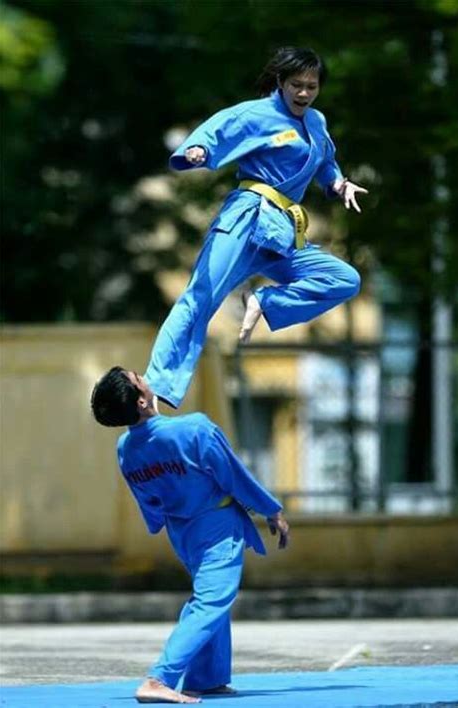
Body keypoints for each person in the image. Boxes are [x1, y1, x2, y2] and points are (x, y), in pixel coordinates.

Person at [145, 46, 368, 410]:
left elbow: (326, 162)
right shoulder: (257, 113)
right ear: (280, 82)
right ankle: (157, 385)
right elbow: (218, 129)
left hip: (283, 232)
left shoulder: (316, 123)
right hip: (247, 220)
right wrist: (199, 149)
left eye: (311, 87)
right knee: (200, 297)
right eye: (296, 85)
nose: (303, 93)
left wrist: (339, 184)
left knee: (344, 279)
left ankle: (264, 300)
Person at [91, 365, 289, 704]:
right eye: (139, 377)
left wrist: (166, 516)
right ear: (140, 401)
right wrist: (271, 510)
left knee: (211, 596)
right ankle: (159, 678)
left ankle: (207, 678)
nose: (145, 376)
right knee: (211, 600)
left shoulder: (126, 449)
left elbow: (149, 503)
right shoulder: (195, 429)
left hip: (182, 531)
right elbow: (234, 476)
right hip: (216, 526)